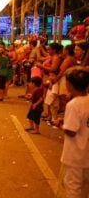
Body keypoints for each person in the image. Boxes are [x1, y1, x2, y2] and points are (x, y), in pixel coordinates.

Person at [60, 67, 89, 198]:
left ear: (69, 84)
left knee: (73, 187)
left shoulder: (73, 104)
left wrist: (60, 124)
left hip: (76, 154)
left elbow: (71, 131)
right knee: (84, 187)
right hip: (87, 154)